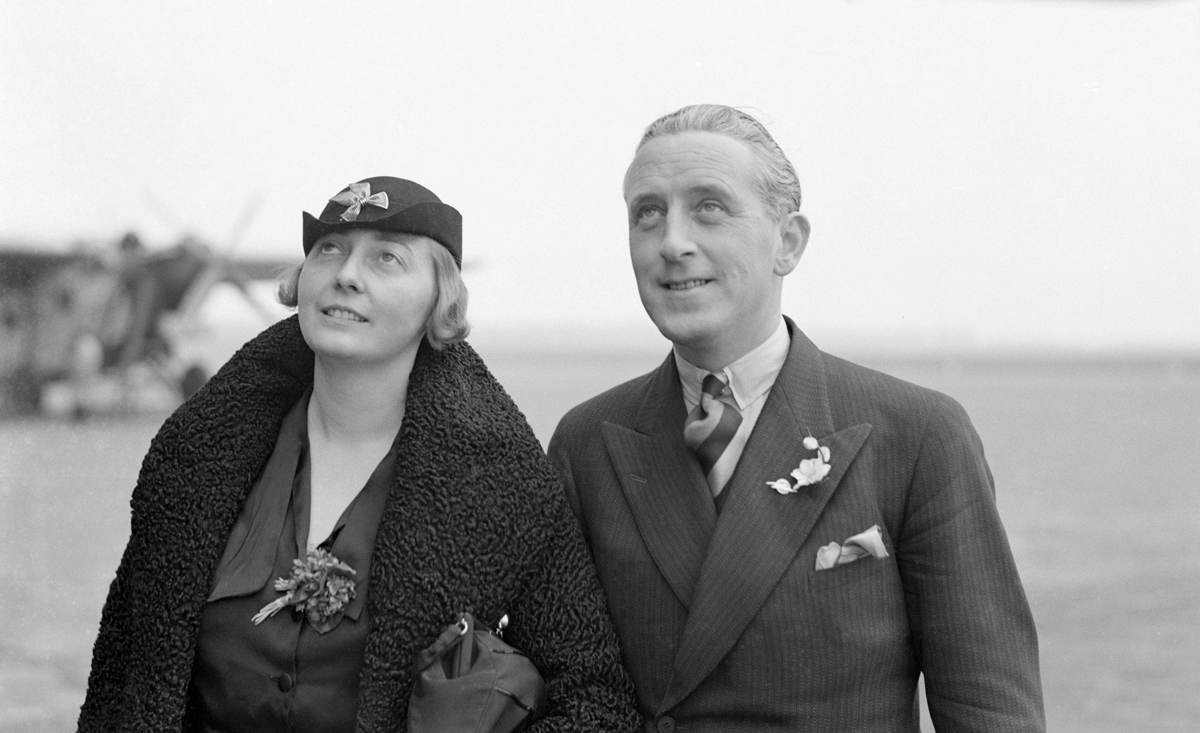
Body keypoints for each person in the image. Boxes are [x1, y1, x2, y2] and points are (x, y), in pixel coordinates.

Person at [79, 176, 641, 733]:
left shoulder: (503, 483)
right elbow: (118, 682)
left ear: (438, 301)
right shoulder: (195, 459)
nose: (346, 276)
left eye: (387, 259)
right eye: (329, 251)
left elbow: (595, 701)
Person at [547, 105, 1045, 732]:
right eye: (648, 213)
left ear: (788, 242)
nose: (672, 242)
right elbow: (564, 690)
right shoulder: (587, 442)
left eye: (709, 207)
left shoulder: (918, 435)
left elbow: (988, 709)